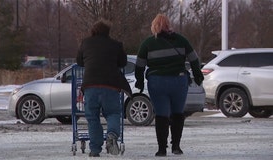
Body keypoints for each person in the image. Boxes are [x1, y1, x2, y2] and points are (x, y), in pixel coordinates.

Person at [134, 13, 204, 157]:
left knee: (161, 115)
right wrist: (197, 75)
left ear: (154, 26)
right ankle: (176, 146)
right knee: (178, 114)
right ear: (168, 25)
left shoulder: (147, 43)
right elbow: (194, 59)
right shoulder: (181, 40)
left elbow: (139, 65)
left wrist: (139, 81)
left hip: (157, 82)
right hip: (178, 81)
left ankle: (161, 149)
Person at [76, 20, 132, 157]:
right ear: (108, 32)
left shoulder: (85, 43)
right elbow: (123, 62)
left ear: (93, 31)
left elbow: (79, 61)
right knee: (113, 113)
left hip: (90, 85)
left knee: (92, 117)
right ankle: (112, 135)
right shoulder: (116, 45)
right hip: (111, 85)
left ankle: (95, 149)